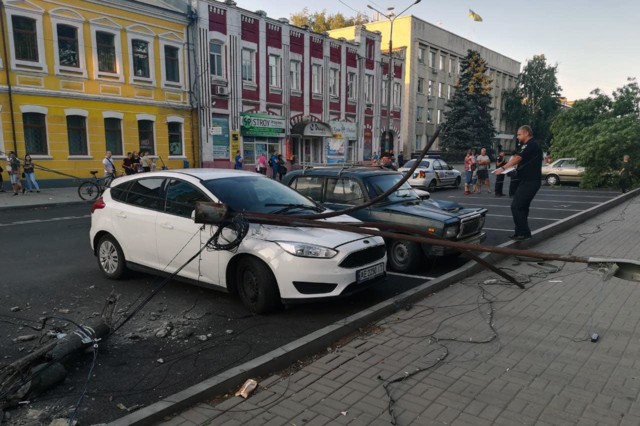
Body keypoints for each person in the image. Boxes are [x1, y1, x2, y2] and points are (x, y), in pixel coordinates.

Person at [493, 125, 542, 241]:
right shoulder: (528, 145)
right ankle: (520, 232)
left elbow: (518, 158)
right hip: (526, 180)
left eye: (519, 134)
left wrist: (503, 168)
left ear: (526, 133)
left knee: (516, 206)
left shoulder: (532, 144)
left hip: (531, 181)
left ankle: (524, 233)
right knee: (522, 207)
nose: (518, 137)